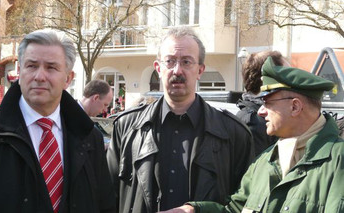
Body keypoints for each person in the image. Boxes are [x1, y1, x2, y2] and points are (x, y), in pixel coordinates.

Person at [160, 57, 343, 213]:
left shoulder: (338, 161)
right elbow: (236, 209)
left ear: (295, 106)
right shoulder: (265, 160)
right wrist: (194, 210)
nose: (261, 111)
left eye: (268, 102)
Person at [0, 29, 115, 213]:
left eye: (51, 67)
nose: (39, 76)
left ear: (68, 78)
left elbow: (105, 205)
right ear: (19, 71)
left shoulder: (90, 138)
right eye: (32, 66)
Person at [106, 27, 254, 212]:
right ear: (158, 69)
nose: (177, 70)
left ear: (200, 70)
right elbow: (106, 198)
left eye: (186, 62)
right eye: (170, 61)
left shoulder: (234, 133)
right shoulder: (127, 127)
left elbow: (246, 203)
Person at [236, 50, 286, 156]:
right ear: (267, 79)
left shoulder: (266, 116)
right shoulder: (253, 123)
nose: (292, 80)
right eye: (287, 73)